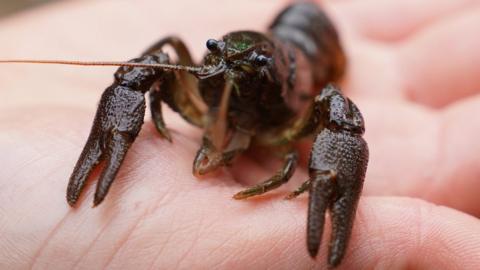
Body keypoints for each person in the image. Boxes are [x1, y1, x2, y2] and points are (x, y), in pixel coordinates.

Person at [1, 0, 479, 269]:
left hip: (310, 34)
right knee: (148, 67)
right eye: (214, 55)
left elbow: (337, 112)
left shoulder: (299, 108)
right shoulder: (208, 71)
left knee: (338, 113)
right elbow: (150, 66)